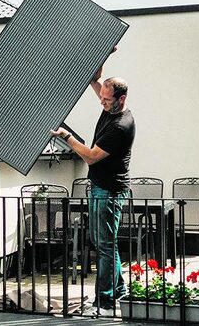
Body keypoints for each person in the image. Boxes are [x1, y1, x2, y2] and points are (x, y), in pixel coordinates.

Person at [51, 49, 136, 311]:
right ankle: (118, 290)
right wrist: (102, 50)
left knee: (103, 246)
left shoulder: (120, 126)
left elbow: (89, 157)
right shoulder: (110, 108)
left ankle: (106, 300)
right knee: (106, 243)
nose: (101, 101)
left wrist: (67, 137)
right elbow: (94, 79)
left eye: (106, 99)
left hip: (108, 191)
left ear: (120, 99)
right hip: (102, 188)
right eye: (101, 97)